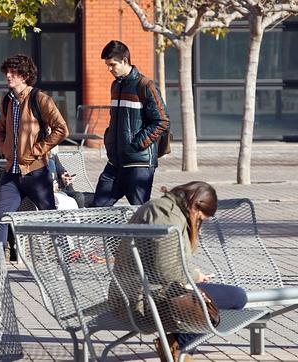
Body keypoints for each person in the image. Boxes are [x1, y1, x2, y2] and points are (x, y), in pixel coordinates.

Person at [111, 181, 246, 362]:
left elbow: (167, 262)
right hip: (141, 300)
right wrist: (195, 276)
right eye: (200, 218)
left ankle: (180, 348)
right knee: (237, 297)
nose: (198, 223)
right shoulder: (165, 214)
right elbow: (165, 270)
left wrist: (194, 274)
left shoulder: (169, 209)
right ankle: (178, 344)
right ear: (196, 205)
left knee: (215, 301)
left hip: (150, 292)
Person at [0, 53, 69, 258]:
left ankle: (64, 258)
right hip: (12, 172)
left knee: (50, 216)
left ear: (25, 76)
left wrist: (36, 151)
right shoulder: (7, 101)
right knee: (0, 215)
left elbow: (61, 129)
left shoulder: (40, 99)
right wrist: (5, 148)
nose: (8, 75)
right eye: (6, 72)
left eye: (13, 72)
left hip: (36, 172)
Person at [92, 40, 169, 207]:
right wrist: (110, 140)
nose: (109, 69)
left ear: (125, 60)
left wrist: (136, 144)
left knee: (140, 214)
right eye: (107, 65)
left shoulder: (145, 85)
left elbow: (162, 121)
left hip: (138, 164)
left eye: (112, 64)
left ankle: (150, 234)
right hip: (115, 163)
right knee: (98, 209)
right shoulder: (115, 85)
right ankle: (112, 235)